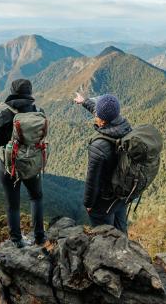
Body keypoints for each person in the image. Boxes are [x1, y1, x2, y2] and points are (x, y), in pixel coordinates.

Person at [0, 79, 46, 247]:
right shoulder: (37, 112)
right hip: (31, 163)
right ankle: (40, 238)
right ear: (29, 93)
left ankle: (17, 241)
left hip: (10, 165)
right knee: (36, 197)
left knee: (13, 205)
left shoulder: (7, 114)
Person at [74, 92, 132, 234]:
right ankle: (125, 253)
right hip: (121, 193)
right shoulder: (125, 127)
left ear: (101, 119)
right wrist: (84, 101)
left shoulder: (99, 145)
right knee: (121, 231)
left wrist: (88, 204)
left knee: (105, 236)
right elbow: (102, 112)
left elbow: (92, 180)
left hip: (104, 199)